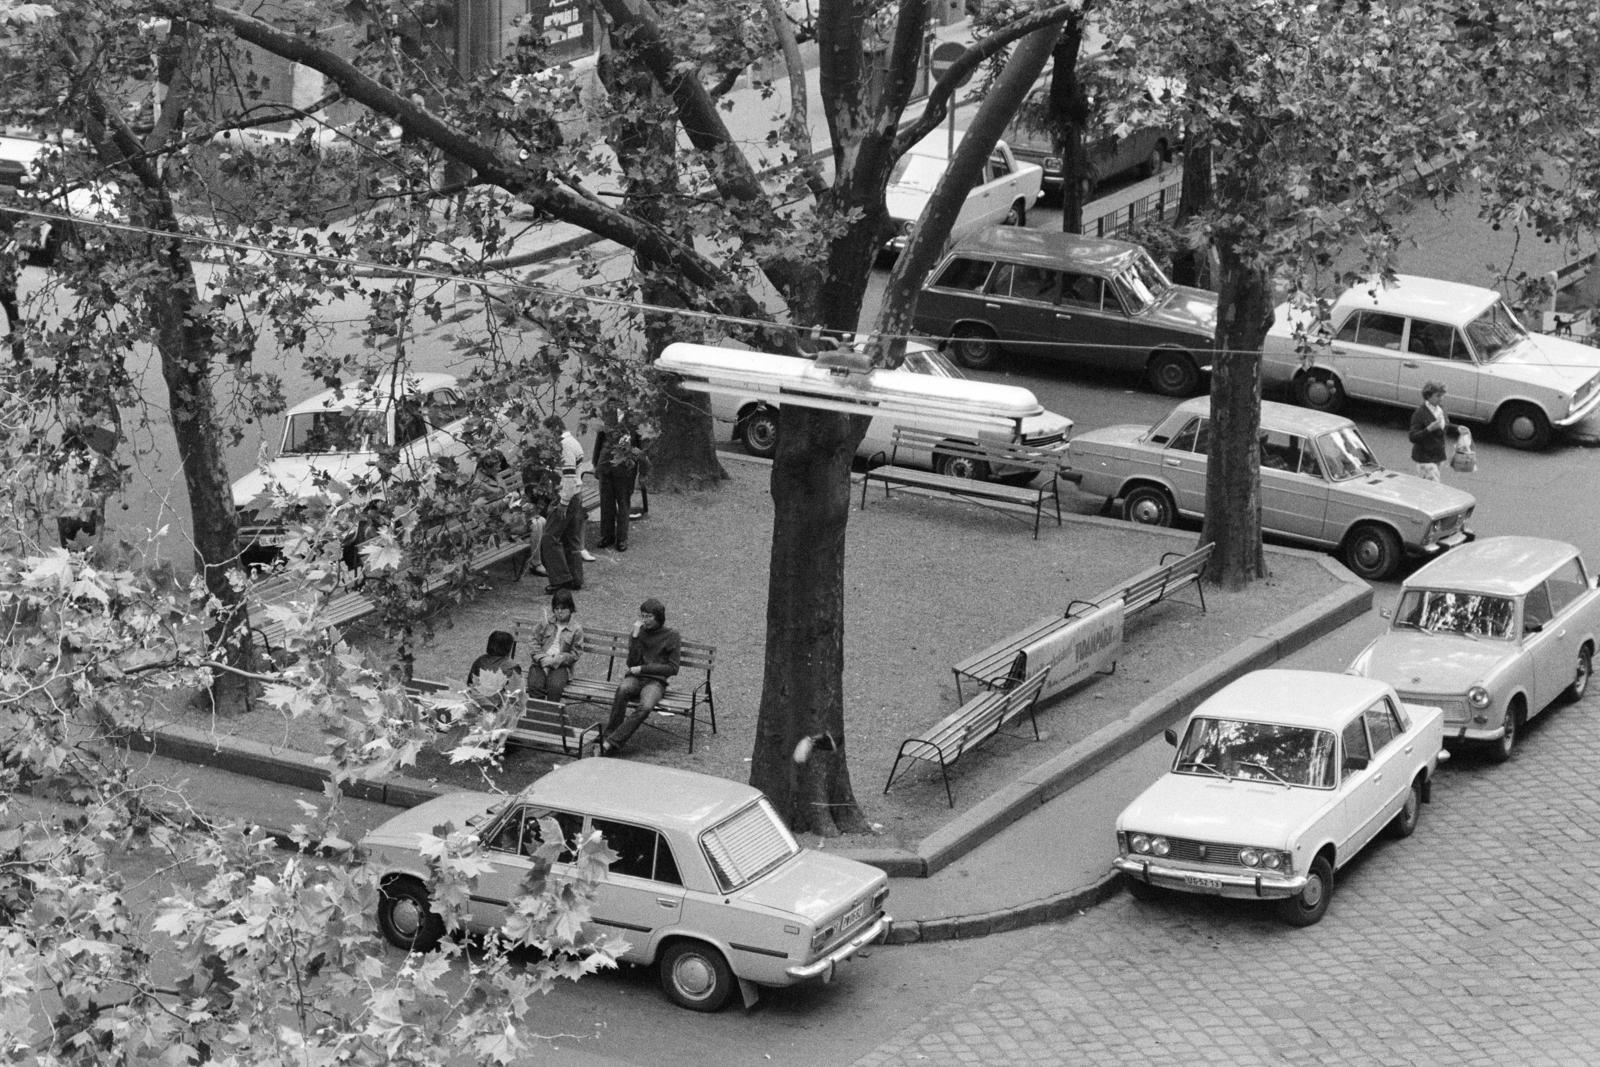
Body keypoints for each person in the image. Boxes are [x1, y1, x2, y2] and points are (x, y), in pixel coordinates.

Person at [596, 598, 680, 756]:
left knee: (646, 706)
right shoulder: (638, 632)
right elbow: (631, 662)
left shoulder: (671, 635)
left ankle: (611, 743)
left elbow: (673, 668)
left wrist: (643, 668)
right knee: (622, 690)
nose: (645, 620)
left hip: (656, 682)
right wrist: (635, 637)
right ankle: (609, 736)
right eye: (643, 616)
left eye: (649, 616)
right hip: (635, 678)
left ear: (658, 617)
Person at [549, 417, 596, 564]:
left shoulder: (565, 446)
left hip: (568, 495)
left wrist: (563, 503)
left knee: (550, 537)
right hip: (574, 493)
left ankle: (561, 575)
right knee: (572, 537)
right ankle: (575, 577)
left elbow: (569, 478)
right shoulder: (572, 442)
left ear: (554, 430)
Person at [593, 411, 642, 552]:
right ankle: (607, 535)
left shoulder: (635, 418)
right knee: (606, 502)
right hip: (606, 465)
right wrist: (595, 463)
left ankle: (622, 538)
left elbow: (639, 447)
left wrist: (639, 469)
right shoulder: (607, 415)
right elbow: (600, 439)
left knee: (623, 503)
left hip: (625, 469)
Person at [526, 588, 584, 703]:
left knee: (555, 687)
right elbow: (533, 641)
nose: (559, 612)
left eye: (563, 609)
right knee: (535, 685)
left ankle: (550, 716)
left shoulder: (576, 629)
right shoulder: (546, 622)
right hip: (540, 662)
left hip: (561, 666)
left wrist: (557, 660)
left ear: (571, 609)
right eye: (556, 609)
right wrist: (542, 658)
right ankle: (537, 715)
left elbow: (575, 653)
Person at [1408, 380, 1459, 482]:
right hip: (1425, 458)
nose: (1441, 399)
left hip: (1438, 456)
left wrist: (1458, 429)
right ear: (1428, 396)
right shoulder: (1420, 413)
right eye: (1438, 396)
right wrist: (1428, 429)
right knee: (1434, 486)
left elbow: (1444, 426)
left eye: (1442, 395)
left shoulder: (1441, 409)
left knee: (1424, 485)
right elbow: (1413, 436)